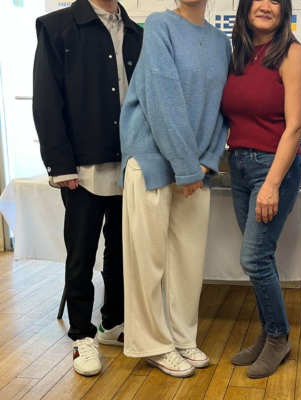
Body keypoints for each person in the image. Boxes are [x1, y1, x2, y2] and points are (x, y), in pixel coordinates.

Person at [118, 0, 231, 378]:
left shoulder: (221, 42)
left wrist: (207, 160)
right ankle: (153, 345)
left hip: (195, 167)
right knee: (147, 261)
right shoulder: (159, 25)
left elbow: (222, 110)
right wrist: (187, 166)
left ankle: (183, 338)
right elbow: (162, 99)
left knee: (188, 259)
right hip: (151, 160)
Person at [33, 0, 143, 377]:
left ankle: (113, 322)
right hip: (81, 165)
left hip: (129, 163)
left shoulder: (136, 32)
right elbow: (47, 99)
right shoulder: (57, 26)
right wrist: (60, 163)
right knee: (81, 253)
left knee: (120, 250)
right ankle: (82, 335)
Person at [221, 0, 301, 379]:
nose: (265, 5)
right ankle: (269, 333)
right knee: (261, 259)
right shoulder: (239, 55)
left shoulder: (293, 54)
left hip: (271, 168)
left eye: (275, 0)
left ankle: (279, 337)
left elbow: (294, 128)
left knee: (254, 259)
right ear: (244, 8)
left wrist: (272, 184)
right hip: (238, 166)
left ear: (284, 11)